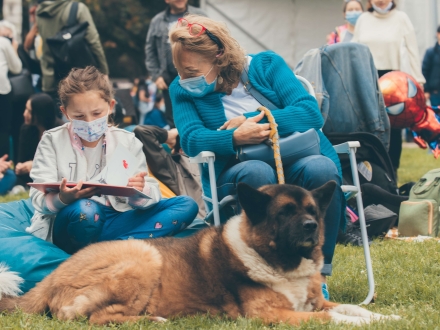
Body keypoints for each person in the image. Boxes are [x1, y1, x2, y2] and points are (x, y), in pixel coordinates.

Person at [169, 15, 344, 299]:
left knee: (321, 168)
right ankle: (258, 275)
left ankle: (316, 276)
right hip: (237, 171)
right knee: (256, 174)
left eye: (192, 71)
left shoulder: (266, 66)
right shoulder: (182, 90)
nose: (185, 79)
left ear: (219, 56)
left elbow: (309, 112)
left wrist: (251, 120)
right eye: (180, 71)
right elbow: (190, 139)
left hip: (294, 161)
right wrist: (234, 137)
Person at [28, 66, 198, 254]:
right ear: (65, 112)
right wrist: (62, 198)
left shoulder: (127, 140)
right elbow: (38, 198)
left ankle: (113, 249)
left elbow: (150, 194)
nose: (89, 121)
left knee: (186, 205)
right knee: (86, 210)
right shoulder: (52, 140)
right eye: (79, 116)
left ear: (110, 106)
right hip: (74, 220)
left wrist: (140, 190)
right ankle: (114, 248)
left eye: (97, 113)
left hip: (117, 218)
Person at [352, 0, 425, 174]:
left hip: (394, 82)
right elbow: (354, 51)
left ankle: (392, 173)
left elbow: (412, 51)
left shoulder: (401, 18)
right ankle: (372, 173)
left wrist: (417, 82)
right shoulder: (363, 19)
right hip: (368, 78)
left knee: (393, 128)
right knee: (368, 126)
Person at [145, 0, 206, 127]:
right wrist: (156, 76)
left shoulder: (199, 16)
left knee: (202, 113)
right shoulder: (157, 21)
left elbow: (210, 42)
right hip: (169, 79)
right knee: (174, 118)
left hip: (197, 75)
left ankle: (204, 143)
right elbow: (150, 50)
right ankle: (178, 145)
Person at [36, 0, 109, 103]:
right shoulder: (77, 8)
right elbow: (93, 41)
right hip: (80, 79)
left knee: (58, 115)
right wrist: (104, 71)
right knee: (79, 116)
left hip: (51, 77)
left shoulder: (40, 12)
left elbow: (45, 48)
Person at [15, 93, 64, 187]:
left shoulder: (60, 130)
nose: (24, 114)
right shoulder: (26, 129)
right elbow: (21, 159)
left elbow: (62, 165)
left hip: (54, 177)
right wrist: (21, 167)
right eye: (26, 109)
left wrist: (34, 165)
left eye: (29, 111)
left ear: (40, 114)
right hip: (30, 177)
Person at [0, 23, 22, 157]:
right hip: (2, 91)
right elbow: (17, 68)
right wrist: (14, 49)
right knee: (3, 130)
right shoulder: (3, 43)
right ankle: (5, 167)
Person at [422, 26, 440, 108]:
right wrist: (426, 90)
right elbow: (425, 71)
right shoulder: (430, 53)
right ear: (437, 34)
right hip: (435, 92)